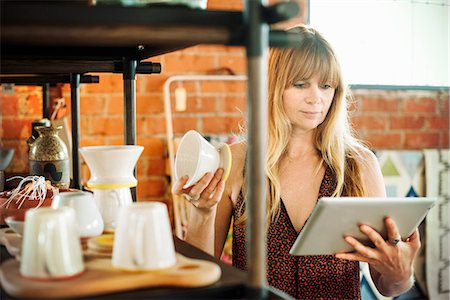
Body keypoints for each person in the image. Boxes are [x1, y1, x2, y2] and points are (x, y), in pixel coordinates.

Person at [172, 25, 420, 299]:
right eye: (301, 84)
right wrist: (202, 213)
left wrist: (401, 274)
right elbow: (203, 274)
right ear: (274, 86)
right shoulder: (235, 160)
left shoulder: (360, 165)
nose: (316, 98)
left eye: (326, 85)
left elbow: (387, 286)